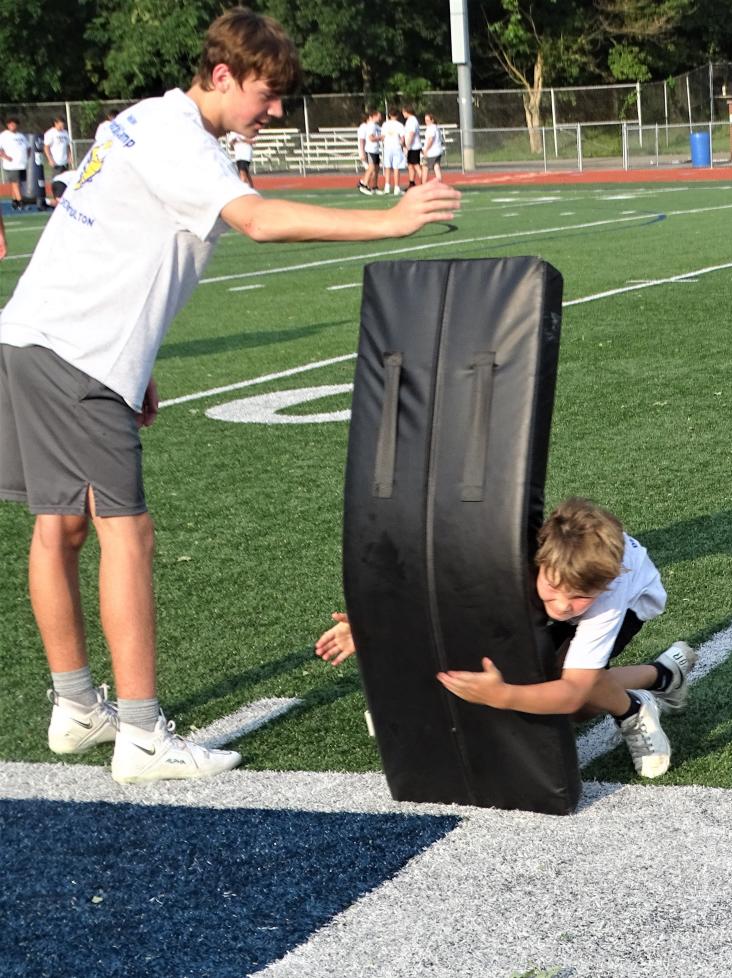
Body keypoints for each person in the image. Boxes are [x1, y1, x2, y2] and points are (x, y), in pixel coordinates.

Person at [0, 6, 460, 786]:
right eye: (267, 92)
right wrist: (387, 223)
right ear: (222, 75)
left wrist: (134, 363)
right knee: (126, 534)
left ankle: (77, 708)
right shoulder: (181, 138)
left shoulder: (143, 120)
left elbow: (107, 236)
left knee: (60, 524)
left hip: (35, 337)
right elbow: (259, 220)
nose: (275, 110)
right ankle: (141, 736)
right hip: (77, 354)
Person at [316, 498, 697, 778]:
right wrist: (373, 625)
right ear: (539, 560)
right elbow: (439, 591)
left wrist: (505, 696)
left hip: (635, 601)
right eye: (554, 587)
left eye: (577, 597)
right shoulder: (521, 556)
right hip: (570, 580)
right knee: (515, 647)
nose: (563, 606)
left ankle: (632, 710)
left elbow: (574, 690)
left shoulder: (606, 596)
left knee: (576, 703)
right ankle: (663, 676)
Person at [0, 117, 29, 211]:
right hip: (12, 165)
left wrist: (26, 156)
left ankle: (14, 201)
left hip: (21, 163)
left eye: (14, 124)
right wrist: (5, 157)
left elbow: (28, 147)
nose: (13, 126)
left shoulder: (21, 136)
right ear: (8, 125)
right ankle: (21, 202)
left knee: (18, 184)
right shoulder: (4, 135)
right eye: (11, 124)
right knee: (16, 183)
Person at [381, 107, 407, 196]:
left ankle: (387, 187)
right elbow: (403, 138)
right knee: (396, 168)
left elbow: (383, 136)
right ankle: (396, 187)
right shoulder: (400, 125)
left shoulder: (385, 124)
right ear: (397, 115)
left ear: (389, 115)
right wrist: (403, 145)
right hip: (396, 147)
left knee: (387, 167)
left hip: (387, 147)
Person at [357, 108, 382, 195]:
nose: (380, 117)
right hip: (370, 150)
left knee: (376, 169)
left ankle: (374, 186)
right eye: (378, 116)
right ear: (373, 116)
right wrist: (362, 152)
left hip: (375, 150)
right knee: (371, 168)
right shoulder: (370, 126)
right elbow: (369, 139)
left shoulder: (375, 125)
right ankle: (363, 184)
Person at [402, 105, 422, 189]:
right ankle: (411, 183)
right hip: (411, 147)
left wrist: (407, 146)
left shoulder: (412, 120)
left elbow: (412, 133)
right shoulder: (409, 120)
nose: (403, 114)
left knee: (416, 165)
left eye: (404, 112)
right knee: (410, 165)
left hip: (414, 147)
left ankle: (424, 182)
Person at [422, 112, 445, 182]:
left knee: (425, 167)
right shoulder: (436, 128)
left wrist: (426, 149)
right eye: (425, 120)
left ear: (432, 120)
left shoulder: (431, 128)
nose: (426, 122)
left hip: (432, 152)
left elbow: (431, 139)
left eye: (428, 120)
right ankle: (439, 182)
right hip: (438, 151)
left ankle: (424, 184)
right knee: (436, 167)